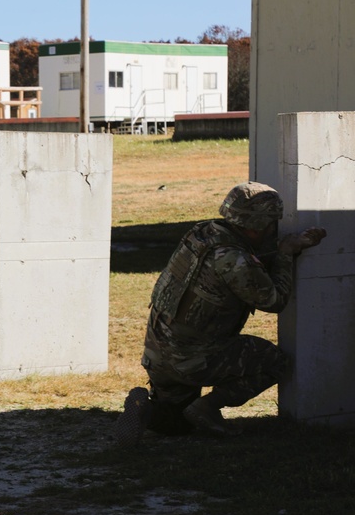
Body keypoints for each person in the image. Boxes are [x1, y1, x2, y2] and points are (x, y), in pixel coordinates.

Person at [116, 182, 327, 445]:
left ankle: (148, 410)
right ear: (259, 225)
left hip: (158, 354)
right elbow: (274, 300)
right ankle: (209, 406)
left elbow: (246, 260)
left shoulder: (203, 233)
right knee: (276, 362)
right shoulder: (234, 260)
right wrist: (286, 253)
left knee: (177, 424)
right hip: (193, 360)